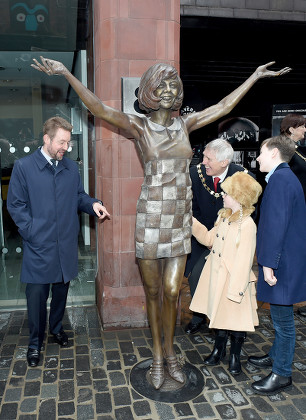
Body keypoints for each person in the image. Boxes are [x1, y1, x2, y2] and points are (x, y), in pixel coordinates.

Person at [31, 57, 290, 390]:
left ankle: (171, 354)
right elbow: (97, 107)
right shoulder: (139, 127)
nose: (168, 90)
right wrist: (67, 72)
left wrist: (253, 75)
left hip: (180, 216)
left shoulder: (185, 125)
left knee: (171, 291)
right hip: (151, 216)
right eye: (161, 85)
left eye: (173, 85)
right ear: (150, 91)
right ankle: (157, 356)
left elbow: (224, 106)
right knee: (153, 292)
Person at [7, 117, 110, 367]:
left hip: (64, 246)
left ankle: (56, 329)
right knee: (36, 298)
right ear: (47, 139)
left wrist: (93, 203)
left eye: (68, 142)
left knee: (61, 293)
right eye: (61, 142)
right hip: (38, 247)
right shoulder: (24, 167)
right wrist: (32, 233)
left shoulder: (70, 168)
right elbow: (16, 205)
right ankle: (34, 343)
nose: (66, 147)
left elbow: (78, 196)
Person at [248, 135, 306, 395]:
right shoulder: (283, 178)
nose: (257, 158)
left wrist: (268, 265)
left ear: (273, 153)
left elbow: (276, 226)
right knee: (279, 317)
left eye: (261, 152)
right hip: (286, 260)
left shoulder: (281, 180)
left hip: (282, 263)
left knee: (283, 323)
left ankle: (282, 373)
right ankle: (275, 355)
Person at [190, 172, 262, 375]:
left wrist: (237, 290)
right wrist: (191, 221)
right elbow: (209, 239)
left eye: (227, 193)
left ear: (239, 197)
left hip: (234, 282)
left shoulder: (247, 225)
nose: (223, 195)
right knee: (219, 317)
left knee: (237, 323)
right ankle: (218, 349)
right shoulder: (224, 218)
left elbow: (244, 260)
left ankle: (235, 356)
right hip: (217, 278)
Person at [184, 138, 255, 334]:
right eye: (204, 156)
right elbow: (192, 208)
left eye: (208, 159)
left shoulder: (243, 177)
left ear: (224, 162)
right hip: (203, 235)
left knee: (224, 280)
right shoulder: (195, 174)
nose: (203, 162)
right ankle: (199, 316)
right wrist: (208, 238)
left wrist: (223, 235)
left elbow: (250, 212)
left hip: (230, 238)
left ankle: (221, 321)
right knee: (195, 276)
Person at [280, 113, 306, 317]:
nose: (305, 130)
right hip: (293, 213)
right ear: (291, 129)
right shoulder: (282, 150)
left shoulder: (300, 150)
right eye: (302, 126)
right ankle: (283, 298)